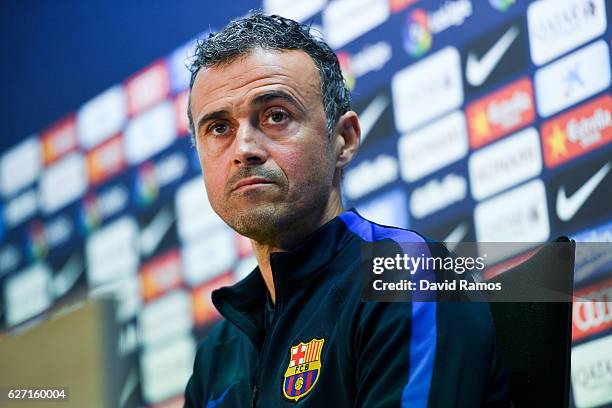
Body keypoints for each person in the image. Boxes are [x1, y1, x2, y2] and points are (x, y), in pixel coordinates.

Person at [183, 13, 510, 407]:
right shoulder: (218, 351)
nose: (244, 149)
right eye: (219, 128)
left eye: (275, 116)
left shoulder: (408, 276)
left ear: (344, 139)